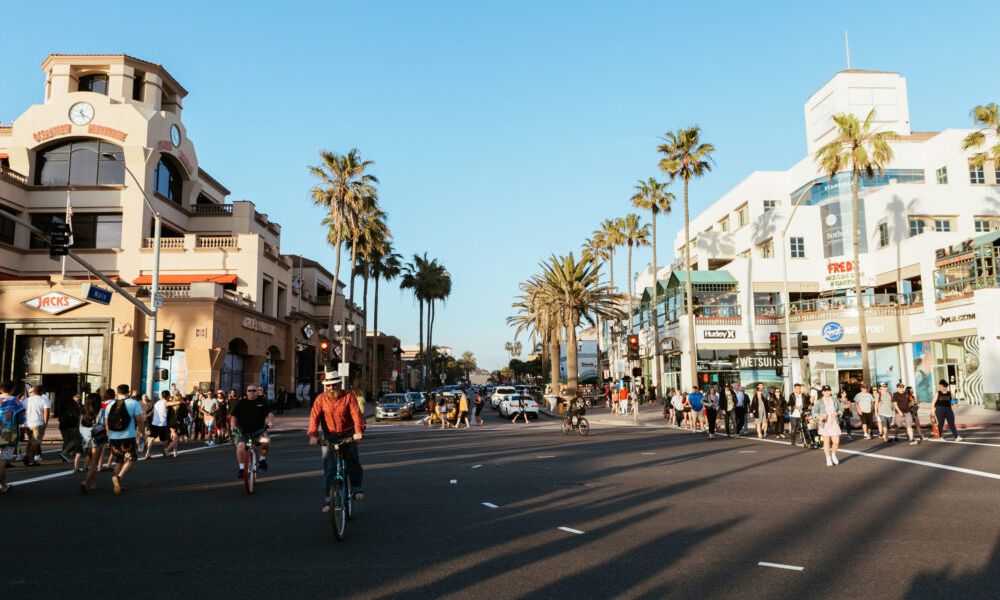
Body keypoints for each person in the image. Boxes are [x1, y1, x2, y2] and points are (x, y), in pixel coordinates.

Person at [308, 378, 365, 512]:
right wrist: (313, 435)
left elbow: (356, 414)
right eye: (328, 385)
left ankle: (356, 488)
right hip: (330, 436)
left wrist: (358, 432)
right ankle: (328, 500)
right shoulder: (321, 399)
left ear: (339, 385)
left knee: (352, 459)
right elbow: (314, 417)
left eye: (334, 385)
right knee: (330, 467)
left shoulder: (348, 396)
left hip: (348, 434)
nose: (331, 388)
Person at [104, 384, 143, 495]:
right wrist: (141, 433)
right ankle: (119, 477)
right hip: (128, 436)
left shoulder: (110, 404)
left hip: (113, 437)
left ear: (117, 392)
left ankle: (117, 485)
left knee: (118, 460)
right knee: (130, 460)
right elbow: (139, 420)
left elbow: (107, 422)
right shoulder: (133, 403)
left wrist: (108, 435)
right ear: (128, 392)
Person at [231, 385, 273, 479]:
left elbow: (270, 413)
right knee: (240, 446)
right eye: (249, 390)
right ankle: (242, 468)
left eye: (254, 390)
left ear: (257, 392)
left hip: (259, 431)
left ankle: (262, 460)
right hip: (243, 432)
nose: (251, 392)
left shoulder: (262, 402)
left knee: (266, 441)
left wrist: (270, 422)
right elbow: (234, 416)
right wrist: (232, 426)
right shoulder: (241, 403)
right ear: (246, 392)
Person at [79, 392, 107, 493]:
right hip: (97, 438)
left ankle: (93, 483)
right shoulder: (101, 411)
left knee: (91, 460)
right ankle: (86, 482)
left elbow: (80, 426)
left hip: (85, 439)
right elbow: (104, 424)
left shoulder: (83, 411)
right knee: (94, 463)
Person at [0, 383, 24, 494]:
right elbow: (21, 419)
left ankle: (4, 485)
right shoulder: (14, 400)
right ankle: (4, 486)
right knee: (3, 460)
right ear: (12, 389)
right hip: (9, 434)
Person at [812, 385, 842, 467]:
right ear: (822, 392)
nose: (827, 392)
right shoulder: (819, 401)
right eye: (825, 391)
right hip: (824, 423)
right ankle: (828, 458)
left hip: (834, 422)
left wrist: (838, 413)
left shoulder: (835, 400)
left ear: (830, 391)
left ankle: (833, 454)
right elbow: (814, 411)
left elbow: (841, 409)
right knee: (826, 442)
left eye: (828, 391)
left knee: (836, 441)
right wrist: (819, 416)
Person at [23, 386, 49, 467]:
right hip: (37, 423)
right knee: (35, 442)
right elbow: (46, 412)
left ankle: (27, 456)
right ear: (41, 392)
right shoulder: (43, 399)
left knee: (30, 441)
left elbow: (22, 410)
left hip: (27, 424)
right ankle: (31, 460)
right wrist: (45, 423)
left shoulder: (26, 400)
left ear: (33, 391)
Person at [56, 392, 83, 464]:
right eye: (75, 396)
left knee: (66, 441)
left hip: (62, 423)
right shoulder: (72, 404)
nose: (78, 398)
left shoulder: (61, 404)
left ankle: (64, 457)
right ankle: (64, 453)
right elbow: (76, 414)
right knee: (74, 440)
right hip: (71, 423)